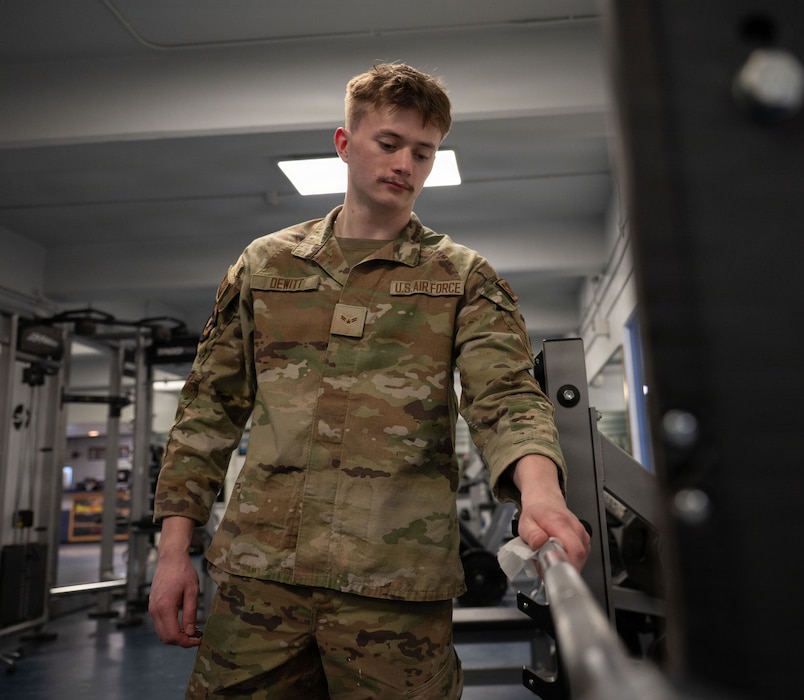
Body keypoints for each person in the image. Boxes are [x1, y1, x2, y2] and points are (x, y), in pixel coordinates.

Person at [148, 62, 591, 699]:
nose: (405, 163)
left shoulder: (461, 277)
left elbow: (504, 396)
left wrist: (540, 494)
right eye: (389, 144)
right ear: (345, 143)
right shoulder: (266, 266)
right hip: (260, 579)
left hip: (394, 587)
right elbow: (209, 409)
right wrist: (173, 553)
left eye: (423, 151)